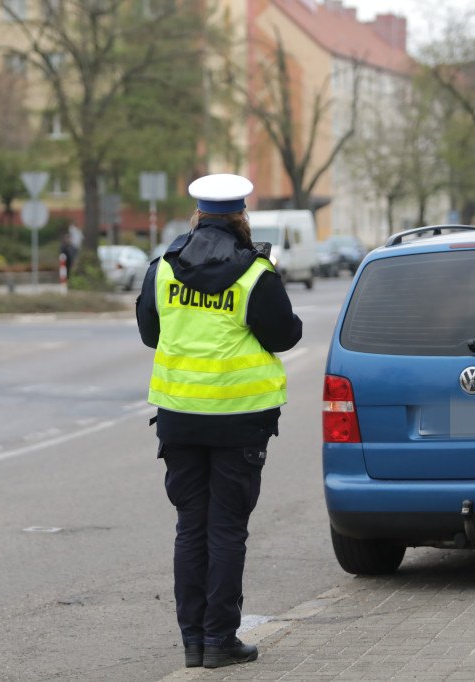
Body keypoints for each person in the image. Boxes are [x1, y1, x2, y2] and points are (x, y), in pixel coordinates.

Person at [135, 173, 302, 669]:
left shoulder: (163, 268)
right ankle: (219, 641)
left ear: (198, 215)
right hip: (239, 422)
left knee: (191, 528)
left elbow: (150, 334)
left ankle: (192, 643)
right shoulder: (255, 274)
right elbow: (285, 335)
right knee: (226, 529)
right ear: (241, 216)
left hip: (181, 420)